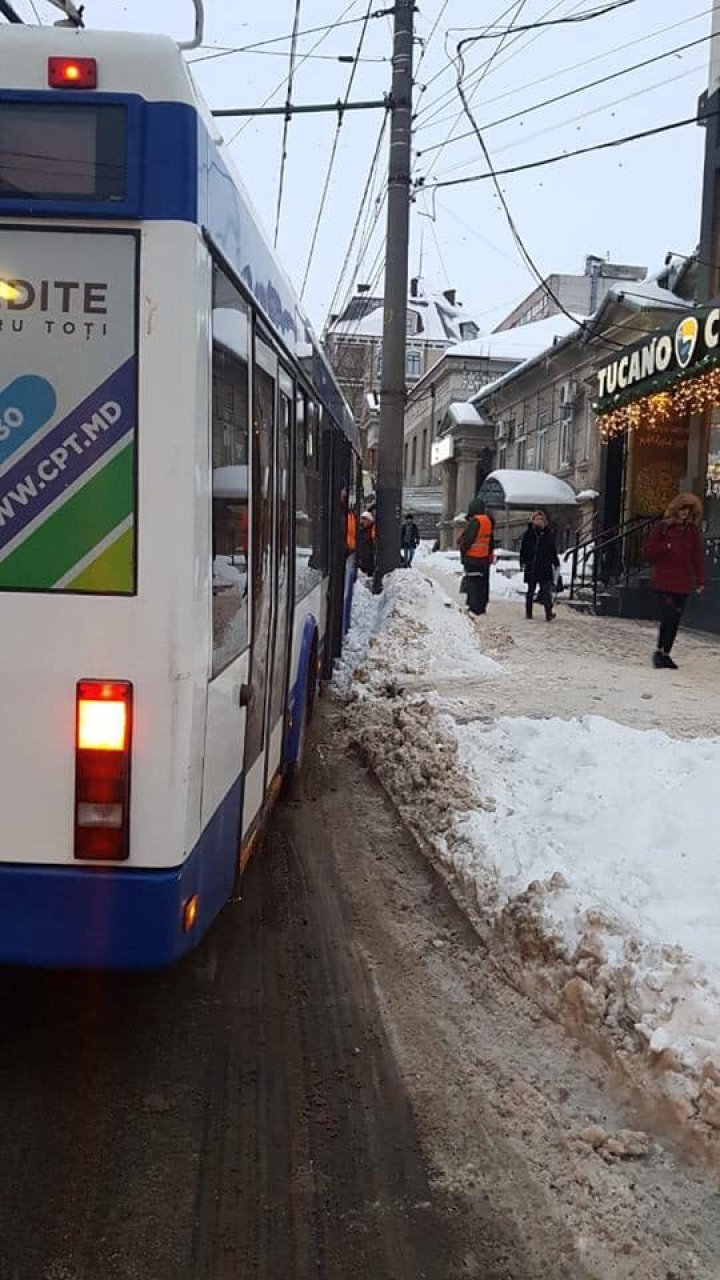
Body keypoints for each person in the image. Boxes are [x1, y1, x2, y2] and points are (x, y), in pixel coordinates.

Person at [643, 492, 705, 669]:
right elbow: (648, 551)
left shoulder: (692, 532)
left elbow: (697, 557)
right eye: (682, 509)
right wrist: (666, 546)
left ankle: (666, 653)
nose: (685, 513)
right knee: (668, 616)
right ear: (676, 510)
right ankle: (659, 650)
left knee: (676, 619)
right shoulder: (663, 528)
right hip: (664, 581)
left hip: (682, 582)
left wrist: (700, 580)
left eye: (688, 510)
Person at [520, 511, 559, 621]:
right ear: (532, 520)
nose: (539, 521)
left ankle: (548, 612)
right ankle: (529, 612)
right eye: (537, 519)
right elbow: (524, 549)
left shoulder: (548, 534)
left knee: (546, 591)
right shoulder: (528, 534)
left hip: (545, 566)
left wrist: (555, 562)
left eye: (541, 519)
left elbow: (552, 550)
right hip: (532, 566)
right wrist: (523, 561)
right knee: (531, 590)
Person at [458, 497, 494, 615]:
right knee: (482, 582)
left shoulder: (475, 521)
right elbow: (490, 541)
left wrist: (463, 549)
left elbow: (468, 539)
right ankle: (481, 605)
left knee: (472, 582)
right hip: (484, 558)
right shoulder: (488, 521)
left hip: (472, 557)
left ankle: (474, 606)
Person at [356, 510, 376, 576]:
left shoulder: (372, 529)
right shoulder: (361, 530)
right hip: (363, 556)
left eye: (364, 519)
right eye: (362, 519)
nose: (362, 521)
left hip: (369, 555)